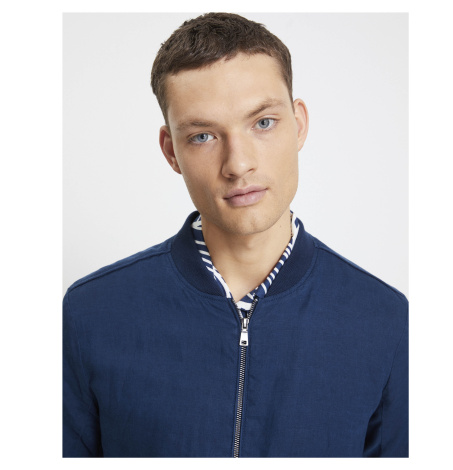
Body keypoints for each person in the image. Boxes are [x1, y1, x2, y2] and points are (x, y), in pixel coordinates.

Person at [63, 12, 408, 458]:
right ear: (171, 151)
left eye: (263, 123)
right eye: (203, 136)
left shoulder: (385, 321)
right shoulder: (90, 314)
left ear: (299, 124)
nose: (238, 164)